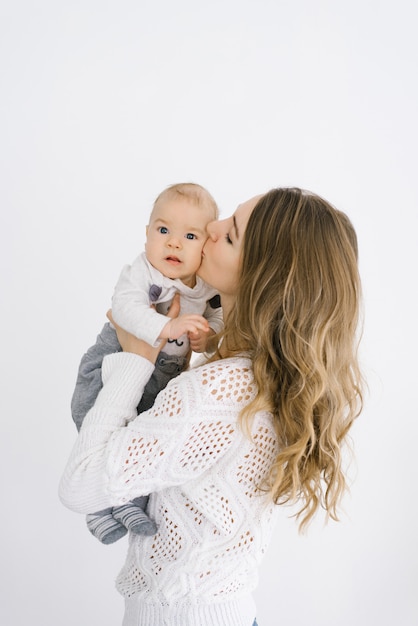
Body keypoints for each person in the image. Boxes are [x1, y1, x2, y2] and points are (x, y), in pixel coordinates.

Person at [60, 187, 364, 626]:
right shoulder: (259, 377)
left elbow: (80, 485)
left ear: (262, 275)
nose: (213, 228)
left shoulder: (220, 390)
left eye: (230, 235)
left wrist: (136, 360)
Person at [71, 182, 223, 544]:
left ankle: (127, 501)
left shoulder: (205, 286)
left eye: (189, 235)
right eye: (163, 230)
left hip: (163, 376)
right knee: (92, 415)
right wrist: (167, 326)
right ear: (147, 234)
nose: (173, 242)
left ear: (205, 246)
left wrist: (209, 338)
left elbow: (217, 319)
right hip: (114, 359)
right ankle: (97, 506)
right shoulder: (141, 272)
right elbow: (124, 308)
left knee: (138, 435)